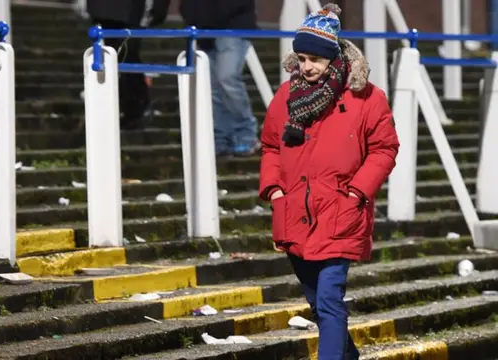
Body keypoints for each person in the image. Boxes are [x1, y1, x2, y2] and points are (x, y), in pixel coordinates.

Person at [258, 4, 399, 359]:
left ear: (333, 56)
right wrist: (274, 191)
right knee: (318, 305)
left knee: (329, 301)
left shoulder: (366, 97)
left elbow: (384, 149)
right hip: (293, 213)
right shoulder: (285, 97)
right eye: (302, 58)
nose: (307, 67)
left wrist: (356, 192)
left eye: (315, 59)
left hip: (341, 211)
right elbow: (271, 146)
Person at [179, 0, 259, 157]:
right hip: (204, 29)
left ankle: (245, 135)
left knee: (226, 78)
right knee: (212, 85)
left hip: (232, 26)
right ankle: (221, 137)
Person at [87, 0, 170, 129]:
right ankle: (133, 105)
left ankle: (135, 105)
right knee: (120, 54)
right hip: (115, 10)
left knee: (124, 53)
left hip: (122, 11)